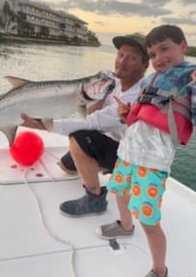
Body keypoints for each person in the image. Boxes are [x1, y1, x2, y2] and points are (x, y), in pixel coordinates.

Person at [95, 25, 196, 277]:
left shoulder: (191, 77)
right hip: (129, 151)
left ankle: (159, 270)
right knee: (118, 189)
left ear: (183, 46)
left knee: (149, 219)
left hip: (152, 160)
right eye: (152, 54)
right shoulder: (150, 80)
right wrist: (125, 114)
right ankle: (125, 226)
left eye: (165, 49)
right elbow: (139, 117)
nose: (158, 58)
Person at [21, 35, 149, 216]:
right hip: (112, 142)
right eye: (120, 55)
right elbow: (92, 114)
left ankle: (95, 199)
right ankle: (102, 168)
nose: (122, 62)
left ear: (145, 66)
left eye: (132, 58)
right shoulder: (116, 84)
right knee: (66, 167)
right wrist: (99, 93)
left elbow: (90, 123)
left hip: (130, 155)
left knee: (79, 137)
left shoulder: (136, 97)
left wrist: (44, 125)